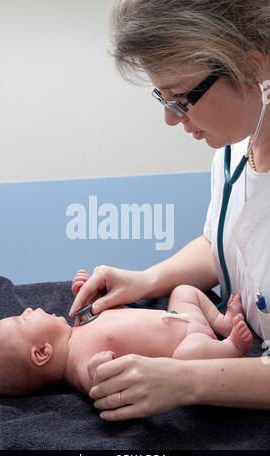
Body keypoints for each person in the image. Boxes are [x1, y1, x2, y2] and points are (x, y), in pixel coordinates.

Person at [69, 0, 270, 421]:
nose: (169, 118)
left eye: (181, 98)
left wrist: (185, 380)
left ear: (254, 69)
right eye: (162, 97)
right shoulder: (236, 148)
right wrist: (145, 280)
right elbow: (225, 239)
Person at [0, 269, 252, 397]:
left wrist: (95, 295)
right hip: (187, 344)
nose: (31, 309)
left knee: (183, 291)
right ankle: (231, 348)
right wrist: (100, 370)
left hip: (183, 316)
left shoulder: (80, 326)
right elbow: (101, 386)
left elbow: (118, 311)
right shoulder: (81, 368)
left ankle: (220, 321)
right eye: (23, 318)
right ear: (42, 353)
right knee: (189, 355)